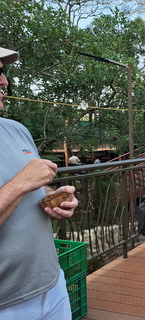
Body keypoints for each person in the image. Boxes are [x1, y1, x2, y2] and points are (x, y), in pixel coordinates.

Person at [0, 47, 78, 319]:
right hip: (7, 303)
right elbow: (22, 184)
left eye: (2, 71)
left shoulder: (16, 129)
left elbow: (34, 189)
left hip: (51, 283)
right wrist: (21, 182)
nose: (4, 81)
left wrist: (54, 197)